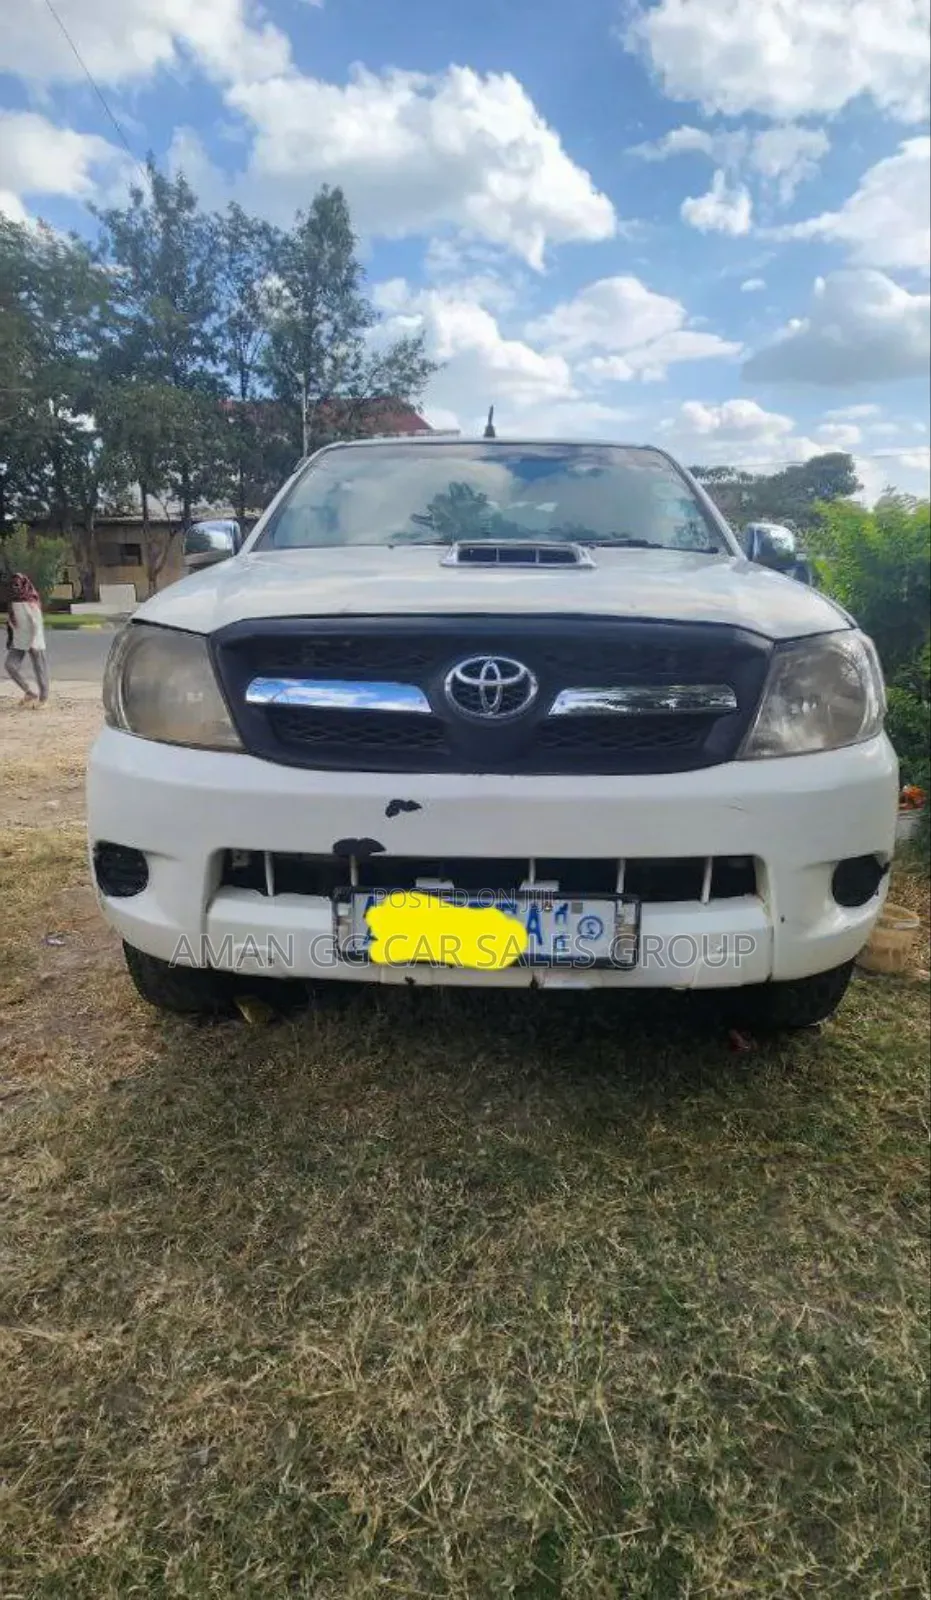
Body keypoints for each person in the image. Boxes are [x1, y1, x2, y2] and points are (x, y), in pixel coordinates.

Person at [4, 572, 50, 707]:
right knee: (10, 666)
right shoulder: (12, 602)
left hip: (34, 640)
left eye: (18, 585)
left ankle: (44, 699)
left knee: (40, 669)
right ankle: (29, 692)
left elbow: (37, 623)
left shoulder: (31, 601)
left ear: (24, 585)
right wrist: (10, 639)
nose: (15, 588)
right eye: (13, 585)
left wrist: (35, 643)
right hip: (19, 641)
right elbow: (11, 622)